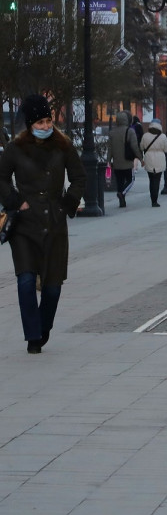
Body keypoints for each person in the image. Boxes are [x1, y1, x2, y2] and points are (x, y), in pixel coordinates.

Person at [0, 94, 84, 354]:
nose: (46, 126)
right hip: (24, 225)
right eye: (40, 122)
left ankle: (44, 326)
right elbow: (1, 178)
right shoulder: (15, 148)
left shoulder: (64, 146)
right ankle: (33, 336)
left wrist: (67, 203)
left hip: (54, 222)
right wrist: (15, 201)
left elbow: (80, 177)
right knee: (25, 281)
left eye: (49, 121)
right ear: (30, 124)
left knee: (52, 287)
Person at [109, 110, 142, 208]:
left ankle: (122, 201)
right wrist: (140, 158)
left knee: (119, 181)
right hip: (127, 161)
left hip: (117, 163)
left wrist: (108, 160)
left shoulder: (112, 133)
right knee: (131, 179)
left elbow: (109, 148)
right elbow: (135, 147)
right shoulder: (130, 131)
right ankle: (122, 193)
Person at [140, 119, 167, 207]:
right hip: (160, 159)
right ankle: (155, 201)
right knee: (157, 180)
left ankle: (152, 198)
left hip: (149, 159)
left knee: (151, 180)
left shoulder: (145, 136)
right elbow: (166, 149)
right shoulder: (163, 136)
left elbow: (141, 147)